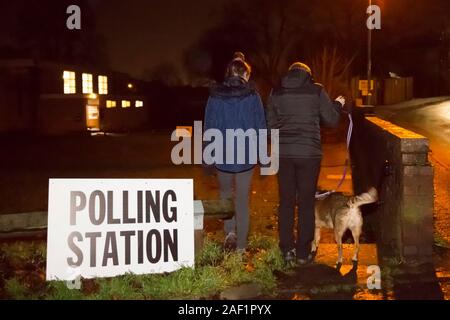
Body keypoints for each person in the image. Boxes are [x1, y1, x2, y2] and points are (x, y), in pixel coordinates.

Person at [266, 62, 345, 265]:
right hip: (309, 154)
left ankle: (286, 250)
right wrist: (338, 104)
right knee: (306, 203)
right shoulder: (316, 90)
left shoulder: (276, 92)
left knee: (286, 202)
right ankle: (303, 252)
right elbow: (332, 120)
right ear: (308, 75)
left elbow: (270, 125)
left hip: (283, 154)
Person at [204, 58, 266, 252]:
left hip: (222, 156)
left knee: (224, 196)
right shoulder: (253, 96)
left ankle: (229, 232)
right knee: (242, 201)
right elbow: (260, 128)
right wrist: (263, 158)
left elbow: (209, 127)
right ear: (244, 74)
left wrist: (207, 159)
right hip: (246, 158)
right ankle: (240, 247)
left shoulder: (214, 97)